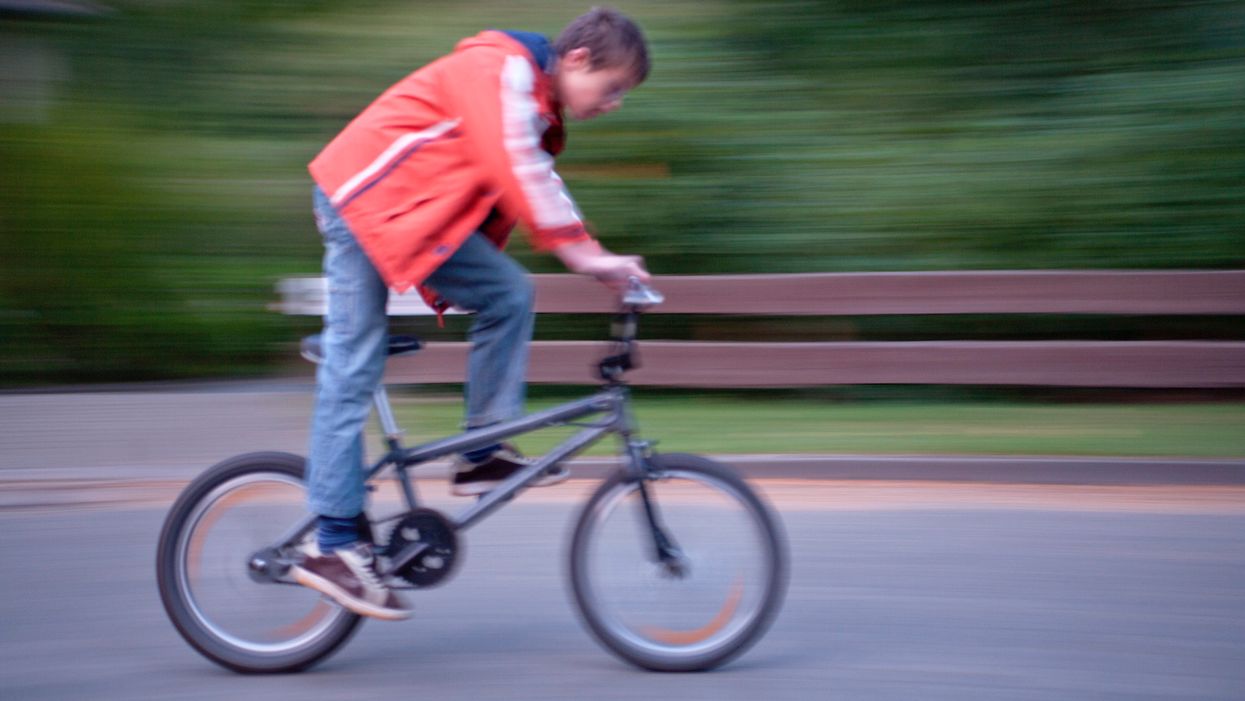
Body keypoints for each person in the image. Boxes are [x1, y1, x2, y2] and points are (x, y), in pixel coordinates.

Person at [291, 8, 652, 621]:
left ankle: (480, 451)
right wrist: (582, 254)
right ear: (578, 59)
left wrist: (598, 256)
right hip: (360, 205)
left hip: (413, 217)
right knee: (352, 369)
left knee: (510, 294)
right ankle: (331, 547)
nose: (614, 104)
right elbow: (512, 161)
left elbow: (538, 174)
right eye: (613, 88)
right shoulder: (499, 69)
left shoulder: (534, 104)